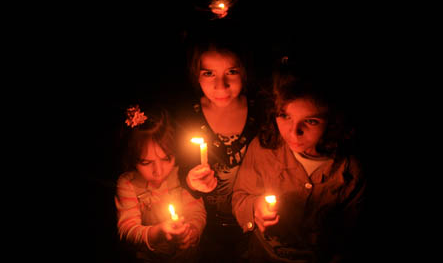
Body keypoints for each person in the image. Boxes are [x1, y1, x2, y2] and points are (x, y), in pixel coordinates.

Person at [232, 58, 367, 263]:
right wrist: (254, 208)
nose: (294, 133)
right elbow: (240, 197)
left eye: (311, 121)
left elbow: (349, 235)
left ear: (333, 120)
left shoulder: (349, 171)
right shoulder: (263, 149)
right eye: (284, 116)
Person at [174, 24, 260, 263]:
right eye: (208, 73)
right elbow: (177, 170)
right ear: (195, 74)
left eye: (231, 72)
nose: (221, 86)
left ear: (245, 71)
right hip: (204, 229)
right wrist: (190, 181)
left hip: (257, 229)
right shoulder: (186, 116)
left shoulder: (262, 112)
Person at [115, 104, 207, 263]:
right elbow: (127, 230)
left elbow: (197, 211)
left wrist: (192, 231)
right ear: (133, 159)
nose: (158, 170)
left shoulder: (180, 175)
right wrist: (158, 232)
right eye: (146, 162)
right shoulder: (128, 184)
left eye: (166, 159)